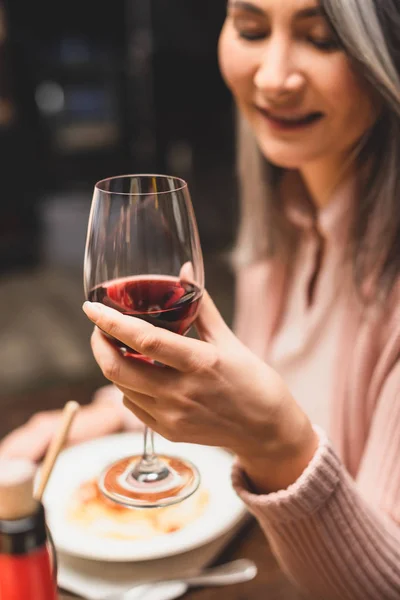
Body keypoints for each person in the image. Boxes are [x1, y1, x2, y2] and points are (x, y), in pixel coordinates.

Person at [2, 0, 400, 597]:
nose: (273, 77)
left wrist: (278, 446)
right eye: (251, 29)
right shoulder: (289, 214)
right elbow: (245, 375)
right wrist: (108, 413)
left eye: (321, 39)